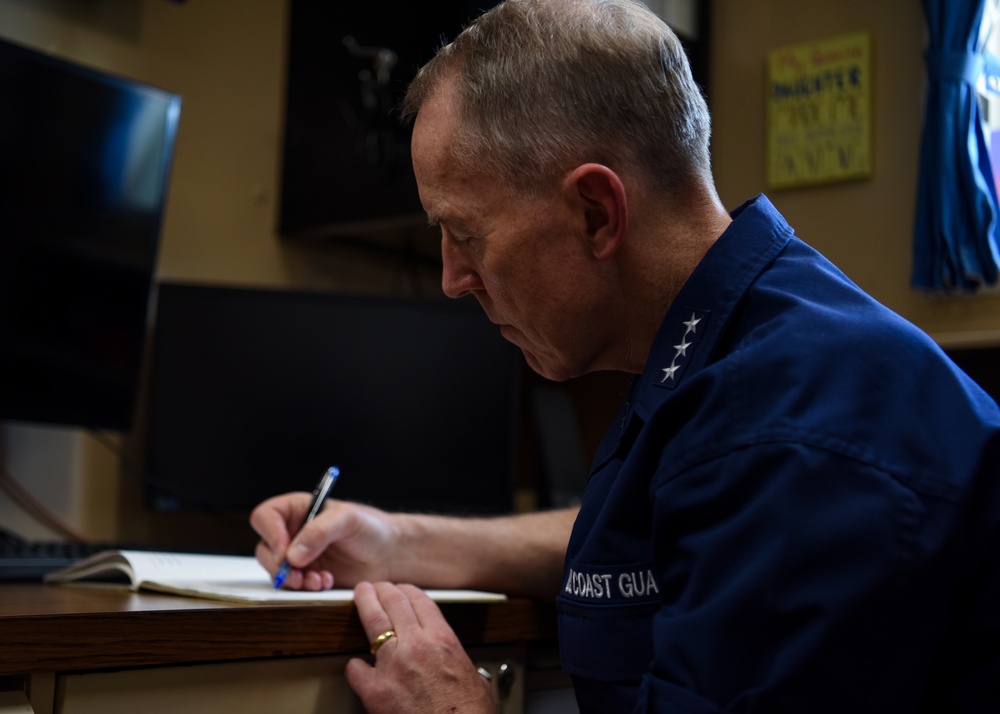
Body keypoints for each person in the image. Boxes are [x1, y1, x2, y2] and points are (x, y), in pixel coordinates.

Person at [251, 0, 1000, 711]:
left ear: (596, 212)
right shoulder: (741, 347)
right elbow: (673, 530)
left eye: (467, 234)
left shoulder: (791, 425)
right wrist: (398, 541)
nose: (452, 279)